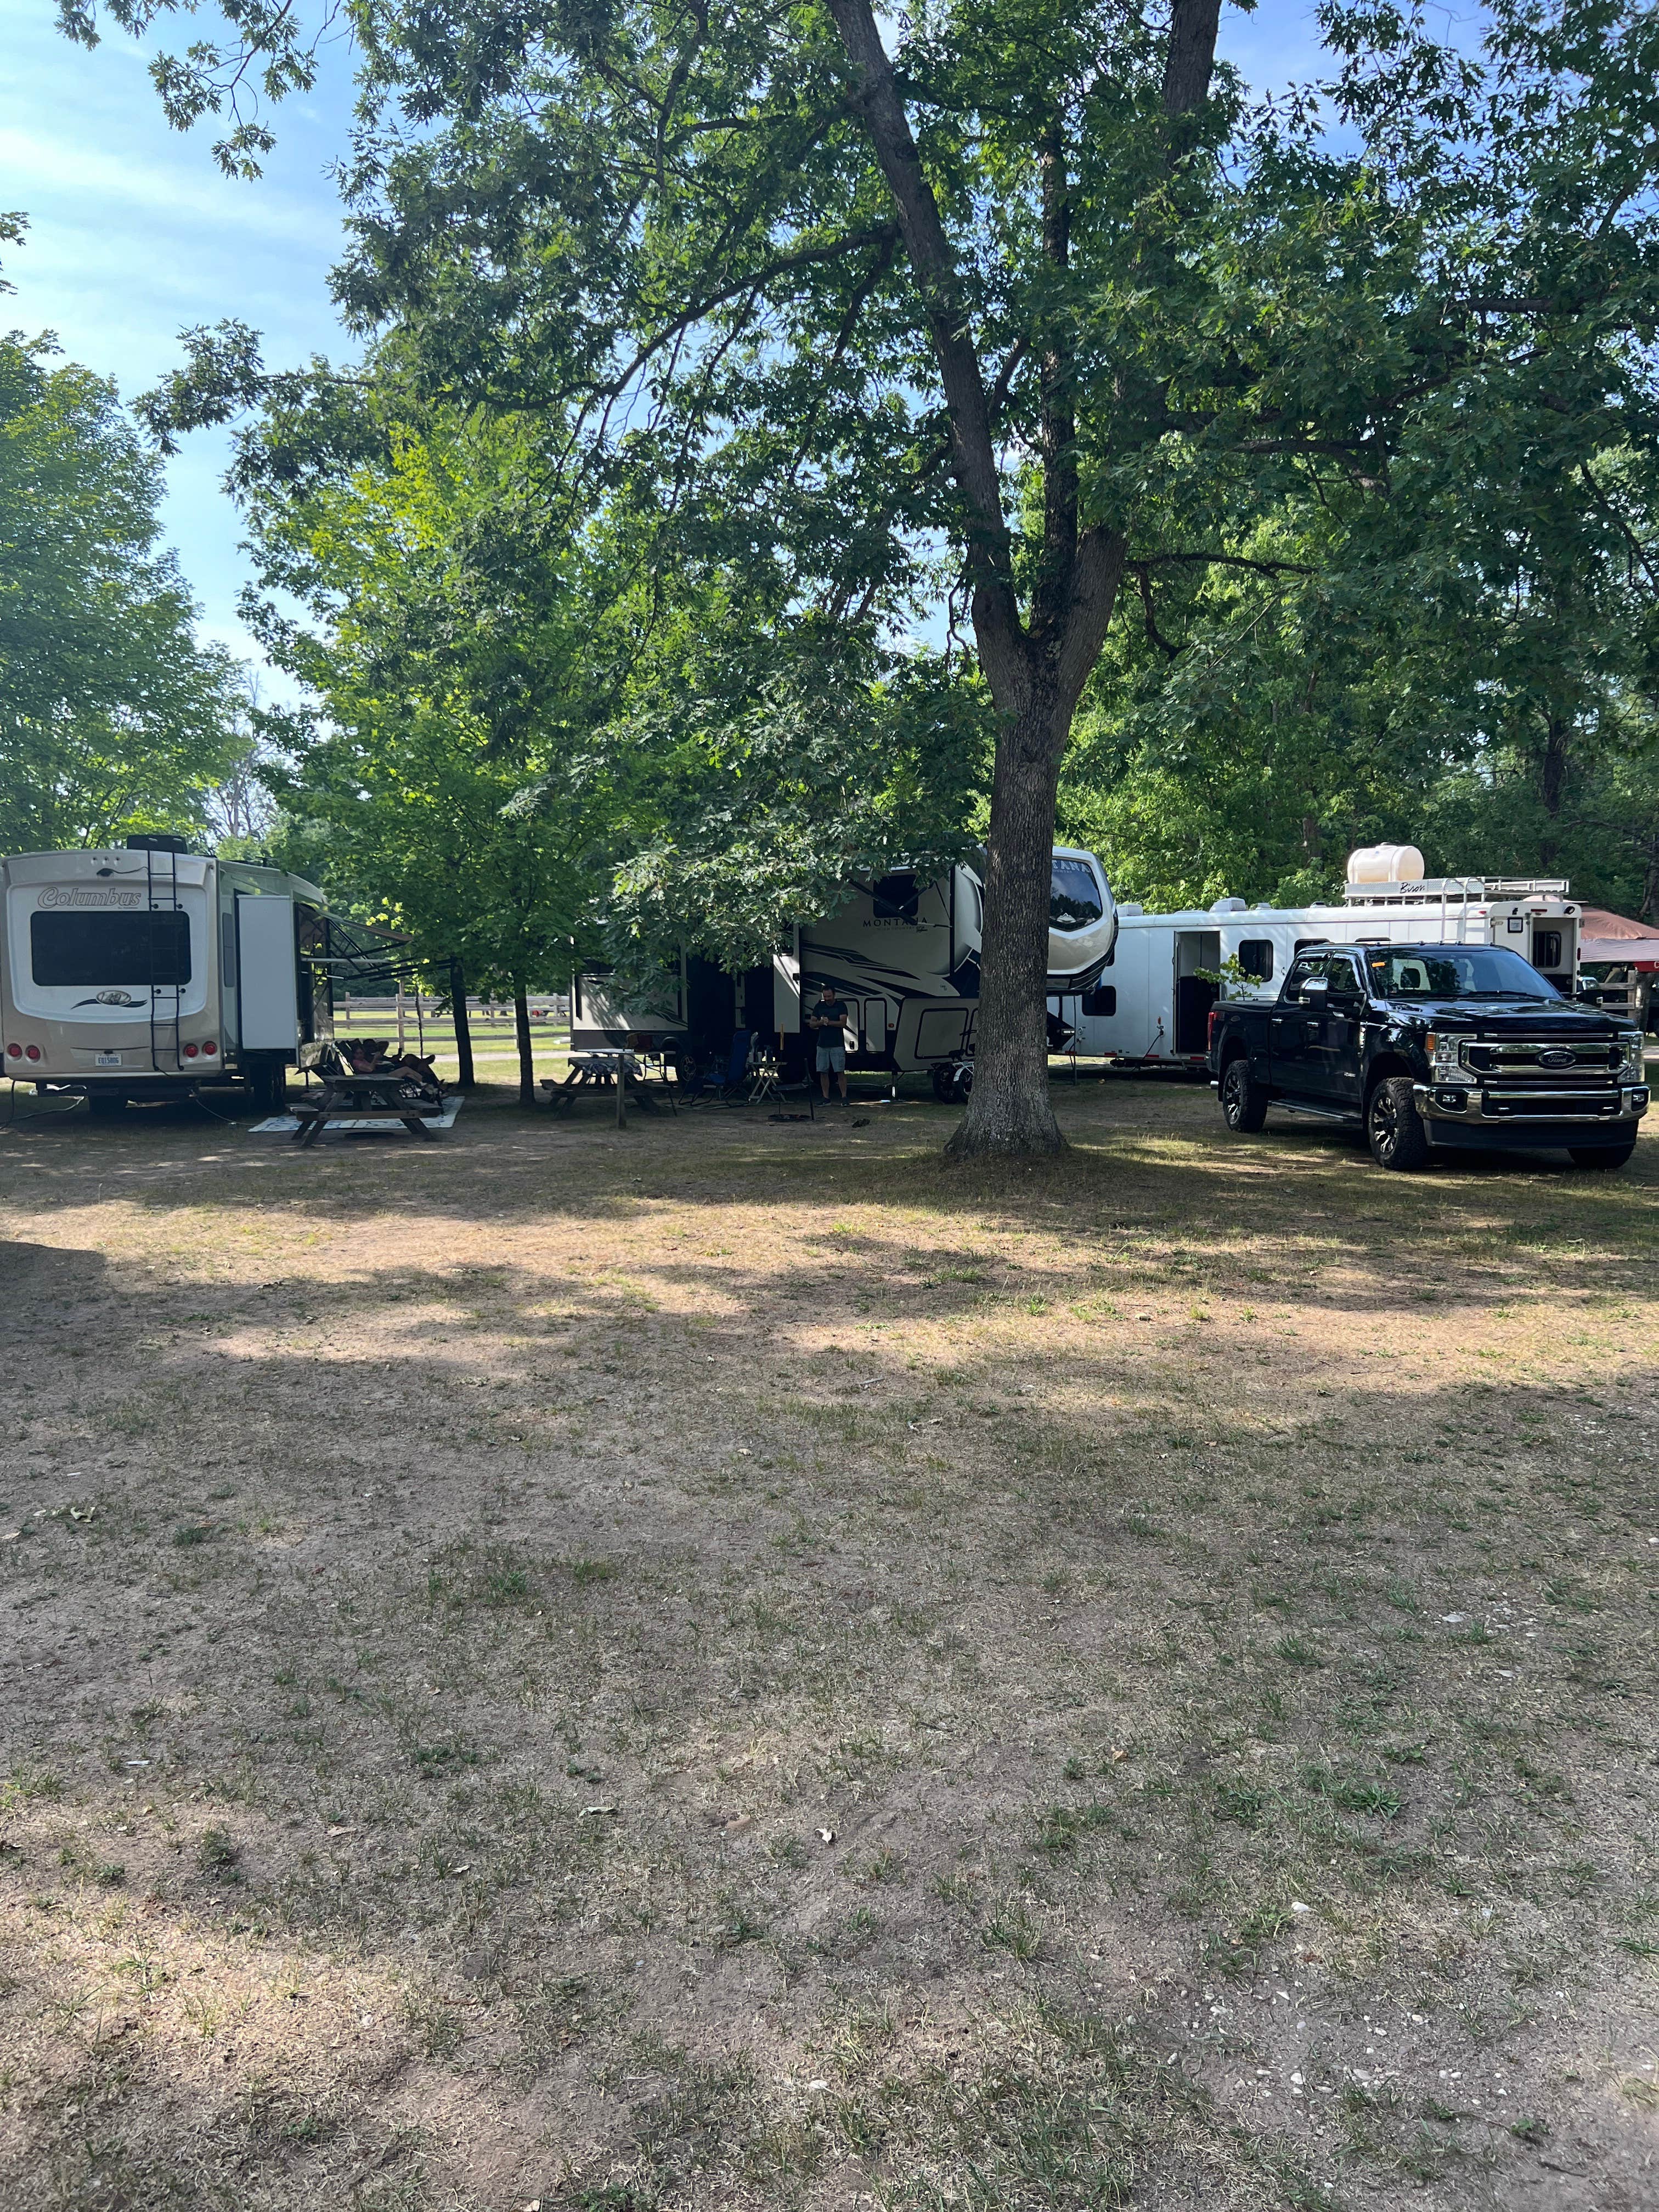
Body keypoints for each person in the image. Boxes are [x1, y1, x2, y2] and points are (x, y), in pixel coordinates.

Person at [806, 981, 852, 1104]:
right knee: (823, 1072)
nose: (827, 999)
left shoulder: (841, 1005)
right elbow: (812, 1024)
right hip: (822, 1044)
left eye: (829, 996)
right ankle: (826, 1097)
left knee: (840, 1071)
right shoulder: (819, 1006)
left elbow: (843, 1023)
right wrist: (821, 1023)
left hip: (837, 1044)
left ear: (834, 995)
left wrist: (829, 1022)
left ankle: (844, 1097)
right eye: (825, 997)